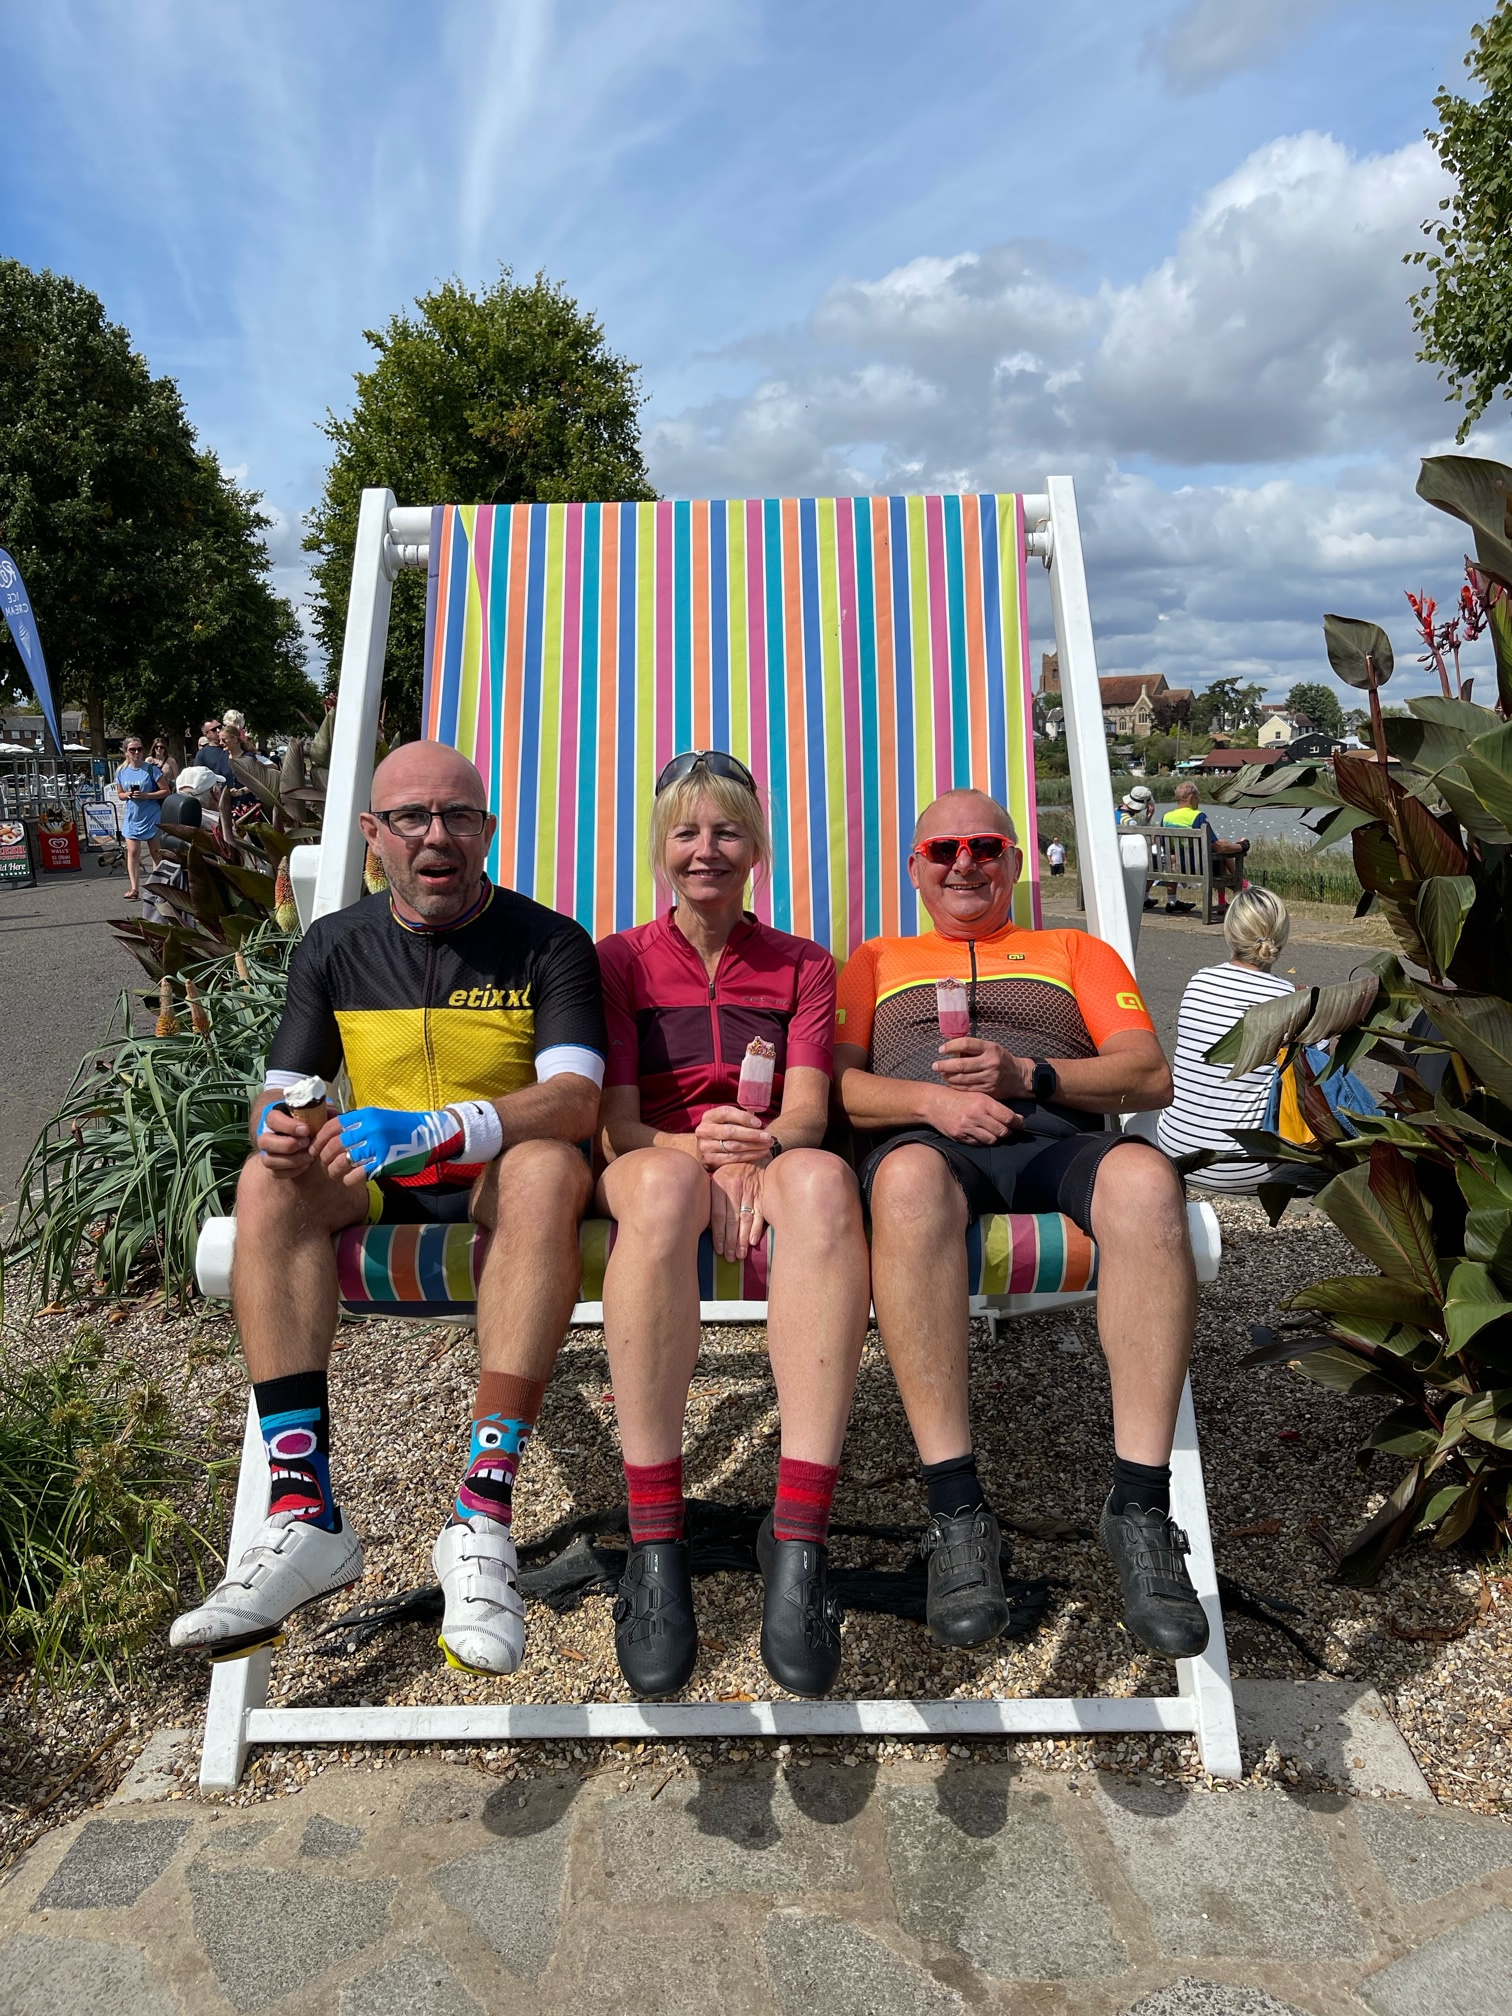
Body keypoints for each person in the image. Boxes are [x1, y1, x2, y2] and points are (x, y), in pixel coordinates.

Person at [170, 740, 607, 1677]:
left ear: (488, 832)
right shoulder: (335, 943)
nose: (436, 836)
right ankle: (303, 1513)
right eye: (411, 817)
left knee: (549, 1171)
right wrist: (280, 1126)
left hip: (497, 1175)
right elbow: (282, 1087)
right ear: (374, 836)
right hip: (382, 1179)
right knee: (263, 1181)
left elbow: (576, 1101)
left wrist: (443, 1125)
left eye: (460, 817)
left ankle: (483, 1516)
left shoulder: (549, 940)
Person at [834, 787, 1209, 1659]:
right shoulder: (876, 959)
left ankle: (1141, 1509)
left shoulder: (1073, 948)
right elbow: (840, 1091)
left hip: (1054, 1140)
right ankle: (957, 1512)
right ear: (915, 869)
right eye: (944, 851)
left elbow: (1147, 1076)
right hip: (929, 1147)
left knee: (1151, 1185)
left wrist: (1025, 1074)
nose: (965, 863)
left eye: (986, 847)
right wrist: (933, 1099)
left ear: (1015, 858)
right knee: (907, 1188)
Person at [595, 751, 869, 1699]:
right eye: (685, 832)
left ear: (755, 848)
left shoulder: (800, 965)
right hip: (658, 1161)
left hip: (768, 1155)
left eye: (725, 832)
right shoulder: (619, 961)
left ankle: (798, 1540)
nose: (705, 849)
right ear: (660, 849)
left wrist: (755, 1154)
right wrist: (692, 1150)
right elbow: (617, 1125)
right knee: (665, 1194)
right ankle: (655, 1544)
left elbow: (805, 1114)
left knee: (828, 1184)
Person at [1157, 890, 1297, 1189]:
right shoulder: (1287, 999)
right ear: (1282, 935)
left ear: (1230, 933)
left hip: (1175, 1147)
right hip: (1246, 1166)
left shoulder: (1199, 982)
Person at [1161, 781, 1248, 915]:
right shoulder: (1198, 816)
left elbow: (1166, 847)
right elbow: (1218, 847)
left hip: (1179, 867)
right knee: (1223, 853)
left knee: (1220, 851)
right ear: (1191, 798)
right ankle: (1237, 891)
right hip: (1201, 868)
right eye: (1198, 797)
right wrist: (1241, 846)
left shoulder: (1166, 818)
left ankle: (1172, 900)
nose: (1199, 800)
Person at [114, 735, 168, 901]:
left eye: (139, 749)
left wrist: (147, 795)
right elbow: (120, 794)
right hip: (133, 815)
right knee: (132, 851)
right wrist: (128, 795)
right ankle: (134, 888)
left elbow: (166, 791)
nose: (136, 752)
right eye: (132, 749)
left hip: (151, 814)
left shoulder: (151, 769)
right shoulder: (121, 771)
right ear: (126, 752)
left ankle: (157, 887)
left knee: (155, 853)